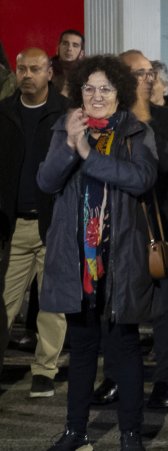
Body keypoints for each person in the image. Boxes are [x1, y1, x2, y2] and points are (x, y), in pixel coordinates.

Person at [39, 54, 158, 451]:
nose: (96, 95)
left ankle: (130, 434)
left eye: (105, 88)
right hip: (77, 259)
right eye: (89, 88)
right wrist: (71, 145)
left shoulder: (136, 132)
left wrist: (90, 154)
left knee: (123, 350)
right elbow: (47, 180)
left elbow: (140, 179)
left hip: (119, 257)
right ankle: (75, 431)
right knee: (83, 348)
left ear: (119, 93)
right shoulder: (66, 127)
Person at [88, 51, 168, 411]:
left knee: (165, 308)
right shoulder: (104, 121)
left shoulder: (167, 119)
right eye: (136, 73)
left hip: (160, 226)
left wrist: (143, 118)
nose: (145, 79)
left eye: (148, 73)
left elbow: (166, 164)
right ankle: (114, 376)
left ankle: (165, 382)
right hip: (115, 225)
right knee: (113, 304)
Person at [0, 47, 69, 396]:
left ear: (49, 73)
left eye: (35, 69)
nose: (27, 75)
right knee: (5, 302)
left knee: (52, 303)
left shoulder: (66, 114)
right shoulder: (4, 113)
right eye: (22, 68)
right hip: (14, 225)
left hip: (54, 224)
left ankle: (45, 369)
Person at [50, 29, 85, 95]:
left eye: (75, 45)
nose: (69, 48)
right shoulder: (46, 68)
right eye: (65, 44)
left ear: (81, 54)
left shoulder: (86, 73)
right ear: (58, 48)